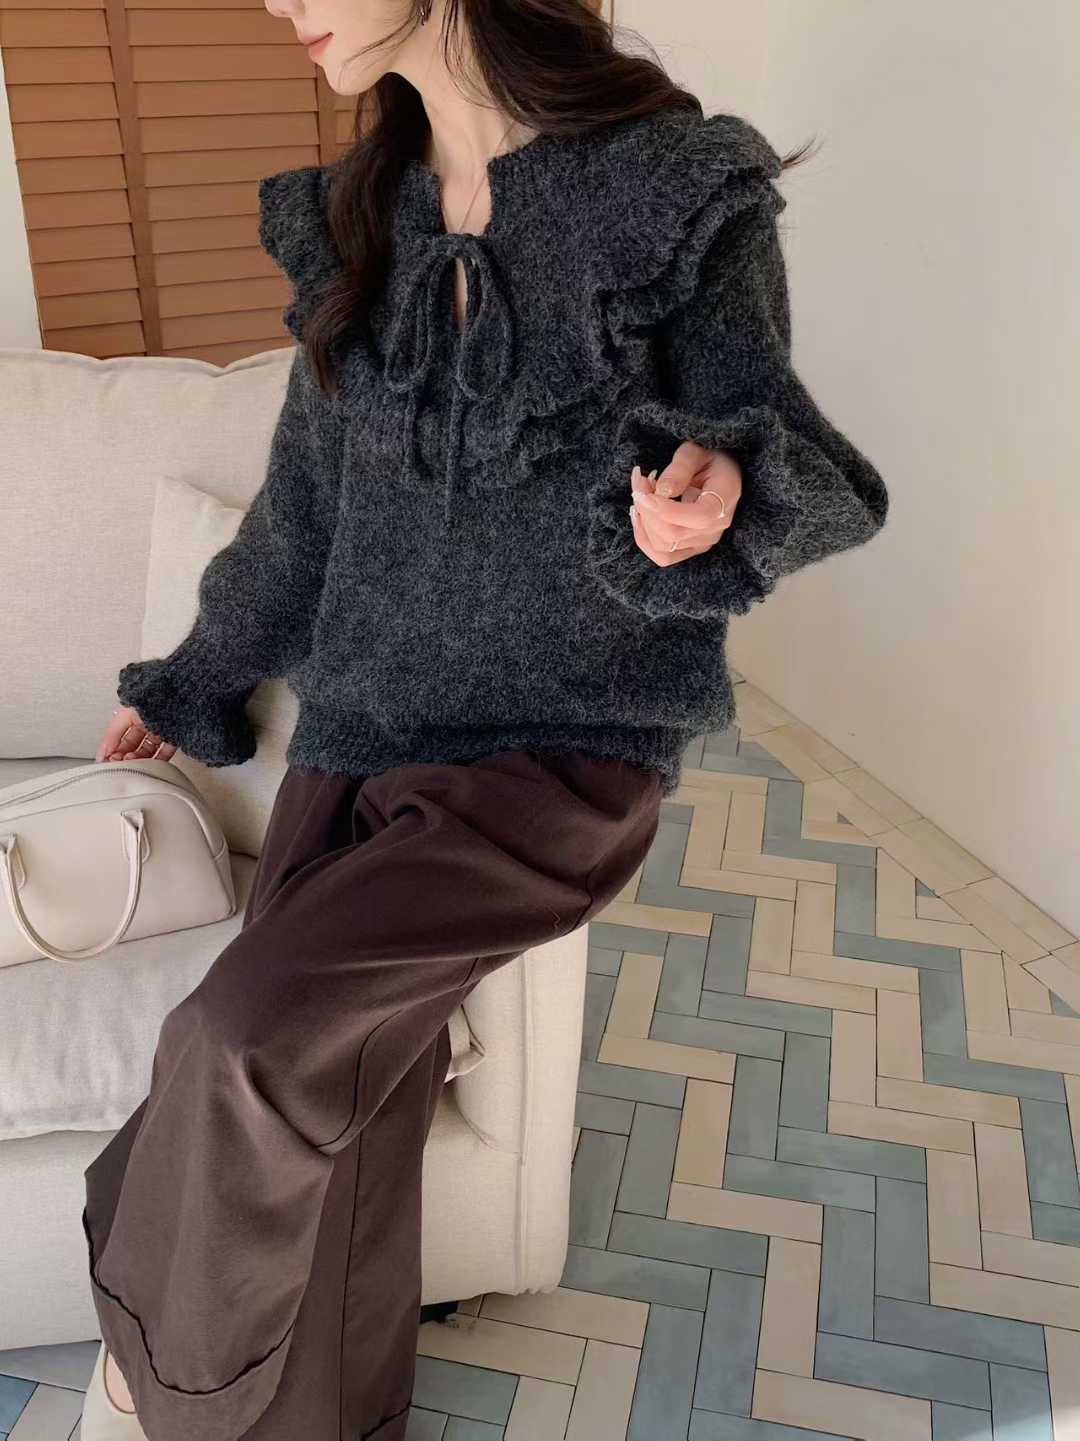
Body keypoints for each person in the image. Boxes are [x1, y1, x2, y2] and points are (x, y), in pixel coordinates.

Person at [79, 1, 890, 1438]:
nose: (276, 2)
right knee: (352, 1116)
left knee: (242, 1044)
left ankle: (179, 1401)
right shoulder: (365, 213)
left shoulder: (667, 189)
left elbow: (788, 455)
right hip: (357, 740)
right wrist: (192, 676)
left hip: (556, 763)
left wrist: (709, 498)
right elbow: (304, 514)